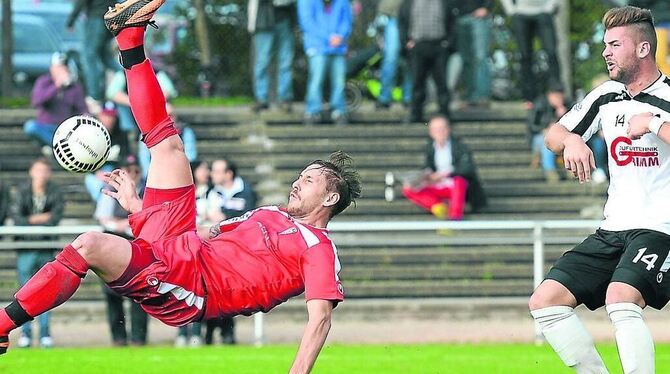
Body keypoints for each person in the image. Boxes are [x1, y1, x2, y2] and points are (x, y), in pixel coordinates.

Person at [0, 4, 362, 374]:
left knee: (89, 244)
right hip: (182, 245)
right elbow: (208, 232)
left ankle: (2, 322)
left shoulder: (318, 249)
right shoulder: (270, 214)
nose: (297, 183)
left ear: (330, 198)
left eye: (309, 180)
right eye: (300, 176)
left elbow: (320, 318)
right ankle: (130, 38)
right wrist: (141, 210)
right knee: (169, 147)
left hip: (189, 286)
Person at [529, 7, 670, 373]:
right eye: (604, 45)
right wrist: (573, 140)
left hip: (661, 227)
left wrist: (654, 122)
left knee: (620, 298)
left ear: (642, 49)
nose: (606, 52)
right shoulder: (606, 95)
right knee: (546, 301)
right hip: (614, 228)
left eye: (614, 44)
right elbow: (552, 135)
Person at [9, 158, 64, 349]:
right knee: (24, 293)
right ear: (31, 172)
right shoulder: (22, 192)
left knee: (46, 293)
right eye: (38, 170)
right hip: (26, 248)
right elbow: (17, 219)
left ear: (48, 173)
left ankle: (45, 334)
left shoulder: (55, 191)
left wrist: (31, 220)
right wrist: (41, 218)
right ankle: (25, 334)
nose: (41, 174)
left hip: (46, 247)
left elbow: (55, 218)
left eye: (44, 170)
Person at [94, 154, 149, 346]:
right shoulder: (110, 190)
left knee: (140, 294)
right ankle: (118, 339)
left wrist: (123, 223)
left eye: (136, 171)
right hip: (116, 242)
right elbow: (104, 218)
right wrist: (129, 223)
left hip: (137, 245)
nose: (133, 174)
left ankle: (138, 338)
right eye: (129, 171)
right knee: (112, 294)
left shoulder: (149, 191)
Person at [204, 158, 257, 344]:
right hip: (214, 249)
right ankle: (209, 333)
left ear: (229, 174)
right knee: (211, 291)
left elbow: (248, 217)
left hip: (236, 251)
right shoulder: (212, 192)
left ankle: (227, 333)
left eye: (217, 171)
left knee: (227, 292)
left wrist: (225, 217)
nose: (213, 175)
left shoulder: (246, 192)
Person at [402, 114, 486, 220]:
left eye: (442, 129)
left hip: (455, 183)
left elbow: (467, 168)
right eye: (436, 130)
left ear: (448, 129)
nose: (439, 133)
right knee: (408, 187)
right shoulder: (430, 148)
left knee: (459, 182)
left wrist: (446, 174)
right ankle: (437, 206)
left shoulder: (460, 146)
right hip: (437, 183)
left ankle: (455, 217)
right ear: (431, 132)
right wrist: (427, 176)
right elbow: (428, 166)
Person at [500, 0, 564, 110]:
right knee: (525, 57)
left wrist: (550, 6)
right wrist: (511, 9)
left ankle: (556, 93)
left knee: (551, 52)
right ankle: (529, 97)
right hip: (521, 14)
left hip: (543, 12)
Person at [398, 0, 455, 123]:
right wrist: (406, 42)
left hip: (439, 46)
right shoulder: (408, 3)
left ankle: (445, 113)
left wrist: (448, 43)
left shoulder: (445, 3)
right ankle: (416, 114)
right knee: (417, 83)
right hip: (417, 46)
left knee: (442, 84)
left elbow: (452, 22)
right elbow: (402, 22)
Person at [298, 0, 353, 125]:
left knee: (339, 81)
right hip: (317, 46)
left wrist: (340, 36)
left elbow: (347, 20)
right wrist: (328, 37)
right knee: (316, 79)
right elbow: (307, 22)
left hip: (338, 47)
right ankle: (312, 111)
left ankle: (339, 111)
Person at [23, 52, 88, 157]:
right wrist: (57, 86)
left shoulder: (74, 86)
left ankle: (56, 148)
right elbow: (37, 101)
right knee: (30, 127)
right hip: (45, 126)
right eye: (58, 67)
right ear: (52, 68)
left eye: (64, 66)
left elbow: (82, 109)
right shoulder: (43, 81)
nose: (62, 70)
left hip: (65, 129)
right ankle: (58, 149)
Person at [66, 0, 120, 113]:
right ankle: (125, 75)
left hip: (96, 18)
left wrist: (71, 20)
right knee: (104, 56)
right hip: (107, 18)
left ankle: (94, 96)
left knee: (89, 57)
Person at [248, 0, 297, 113]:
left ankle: (285, 99)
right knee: (262, 62)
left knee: (286, 62)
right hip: (263, 20)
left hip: (285, 19)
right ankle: (261, 99)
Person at [452, 1, 492, 109]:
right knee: (466, 60)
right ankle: (470, 96)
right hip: (459, 18)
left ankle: (482, 96)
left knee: (480, 58)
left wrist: (486, 7)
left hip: (478, 17)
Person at [375, 0, 412, 110]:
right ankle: (384, 97)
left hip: (413, 16)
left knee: (410, 59)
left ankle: (409, 98)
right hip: (392, 17)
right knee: (390, 59)